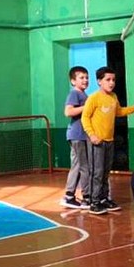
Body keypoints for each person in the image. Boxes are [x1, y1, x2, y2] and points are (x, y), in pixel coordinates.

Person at [81, 66, 134, 215]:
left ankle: (104, 198)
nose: (111, 83)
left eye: (113, 80)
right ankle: (94, 201)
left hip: (109, 141)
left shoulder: (113, 97)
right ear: (99, 81)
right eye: (108, 80)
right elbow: (85, 117)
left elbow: (119, 111)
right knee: (97, 172)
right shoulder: (94, 98)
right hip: (96, 142)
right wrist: (92, 135)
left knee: (105, 172)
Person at [60, 66, 90, 209]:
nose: (85, 80)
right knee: (84, 167)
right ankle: (86, 197)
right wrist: (87, 106)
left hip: (82, 135)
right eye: (81, 77)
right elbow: (68, 112)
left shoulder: (84, 95)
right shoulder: (74, 93)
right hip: (77, 135)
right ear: (73, 81)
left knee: (78, 165)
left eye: (87, 77)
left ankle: (69, 196)